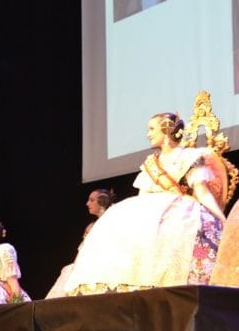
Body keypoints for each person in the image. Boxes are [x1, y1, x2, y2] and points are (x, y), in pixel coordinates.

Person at [64, 112, 227, 295]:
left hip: (180, 210)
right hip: (153, 210)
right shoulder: (151, 164)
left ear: (166, 130)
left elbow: (202, 193)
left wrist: (223, 221)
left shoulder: (190, 157)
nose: (148, 134)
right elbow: (142, 197)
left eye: (152, 129)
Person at [45, 188, 115, 299]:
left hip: (105, 262)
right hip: (88, 262)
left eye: (92, 200)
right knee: (68, 272)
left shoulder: (111, 222)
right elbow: (82, 250)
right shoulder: (91, 226)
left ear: (102, 203)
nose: (87, 203)